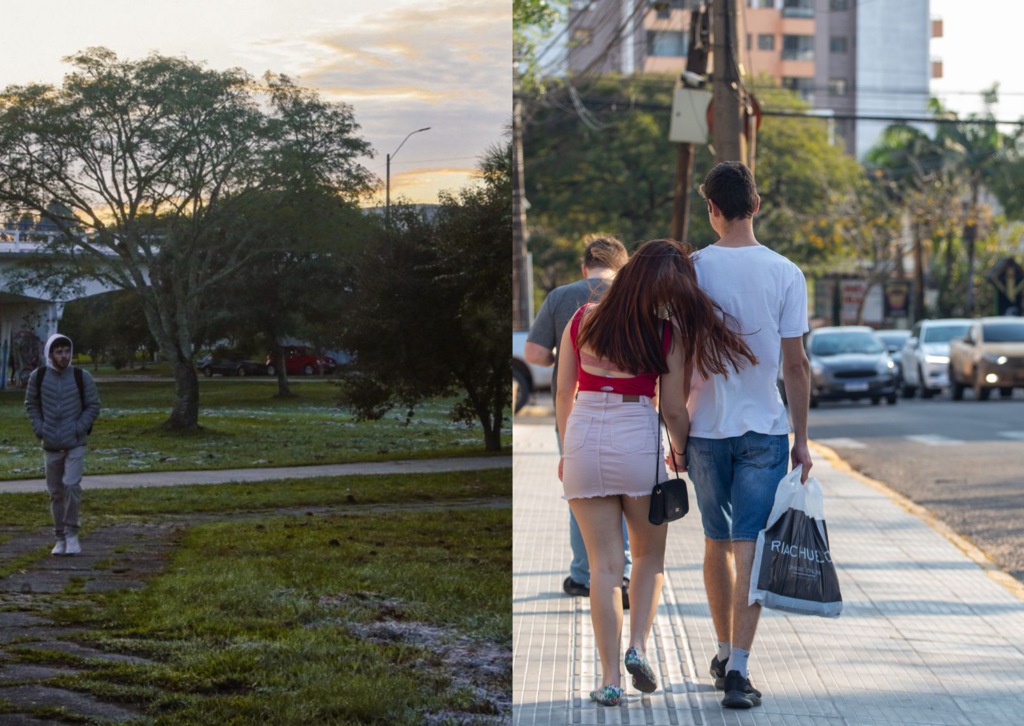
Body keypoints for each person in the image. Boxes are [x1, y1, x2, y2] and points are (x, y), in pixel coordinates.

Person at [556, 239, 757, 706]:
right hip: (635, 438)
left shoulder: (581, 320)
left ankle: (608, 680)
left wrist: (569, 449)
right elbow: (672, 408)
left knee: (604, 568)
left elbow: (564, 393)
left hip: (584, 435)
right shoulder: (666, 332)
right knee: (647, 559)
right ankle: (638, 649)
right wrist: (681, 454)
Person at [685, 161, 812, 709]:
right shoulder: (786, 272)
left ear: (712, 209)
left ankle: (720, 650)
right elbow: (797, 365)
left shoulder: (690, 270)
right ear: (755, 205)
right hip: (766, 429)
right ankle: (737, 669)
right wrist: (802, 439)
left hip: (705, 429)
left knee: (716, 541)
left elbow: (675, 358)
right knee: (751, 547)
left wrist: (672, 427)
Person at [525, 235, 634, 607]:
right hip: (633, 410)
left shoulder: (561, 297)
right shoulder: (637, 295)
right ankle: (625, 574)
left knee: (583, 492)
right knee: (628, 491)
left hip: (576, 409)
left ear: (585, 267)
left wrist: (566, 357)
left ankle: (584, 575)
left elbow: (535, 353)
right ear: (623, 266)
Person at [24, 334, 101, 556]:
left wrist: (79, 427)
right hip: (50, 444)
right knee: (56, 493)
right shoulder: (37, 377)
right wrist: (40, 428)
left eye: (67, 351)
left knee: (72, 486)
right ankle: (59, 537)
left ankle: (72, 534)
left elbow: (93, 406)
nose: (64, 355)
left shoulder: (81, 376)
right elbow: (31, 404)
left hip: (75, 442)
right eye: (59, 351)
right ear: (50, 354)